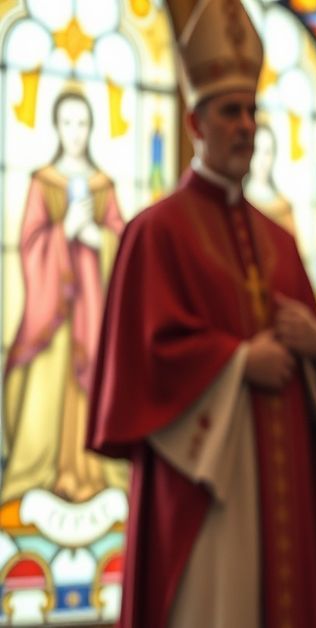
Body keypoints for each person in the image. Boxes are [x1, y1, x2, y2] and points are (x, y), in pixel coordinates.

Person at [85, 1, 316, 626]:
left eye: (253, 111)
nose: (246, 125)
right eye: (231, 111)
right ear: (196, 123)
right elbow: (141, 366)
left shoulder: (278, 241)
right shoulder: (156, 233)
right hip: (205, 498)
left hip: (278, 492)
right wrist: (235, 362)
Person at [3, 87, 127, 504]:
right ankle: (43, 473)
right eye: (68, 123)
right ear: (57, 127)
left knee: (95, 384)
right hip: (53, 315)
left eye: (83, 123)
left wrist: (97, 237)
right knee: (48, 391)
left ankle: (95, 472)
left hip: (94, 311)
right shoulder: (43, 182)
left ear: (91, 129)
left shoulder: (102, 185)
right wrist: (63, 234)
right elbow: (28, 244)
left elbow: (126, 250)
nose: (75, 132)